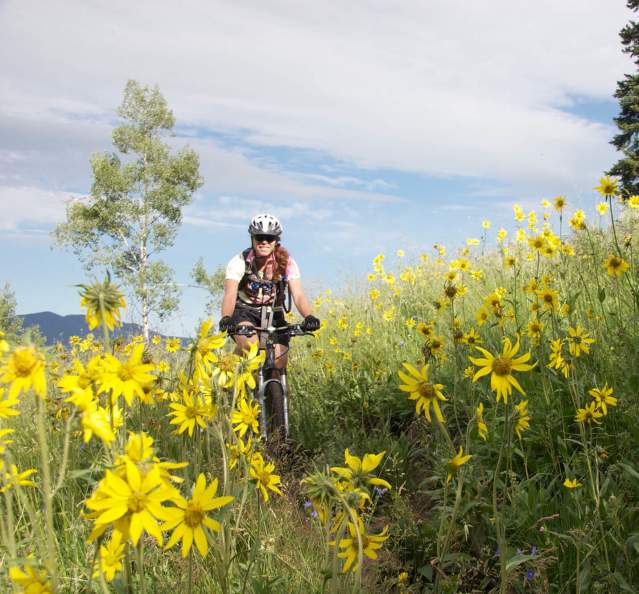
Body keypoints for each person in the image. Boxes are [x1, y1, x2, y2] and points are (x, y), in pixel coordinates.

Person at [219, 213, 320, 369]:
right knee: (250, 347)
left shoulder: (287, 262)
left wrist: (308, 316)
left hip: (274, 312)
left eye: (269, 238)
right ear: (252, 239)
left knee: (280, 362)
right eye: (259, 237)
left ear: (276, 241)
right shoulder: (239, 261)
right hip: (245, 311)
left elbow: (298, 295)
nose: (264, 242)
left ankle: (280, 392)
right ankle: (232, 370)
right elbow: (230, 294)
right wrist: (226, 318)